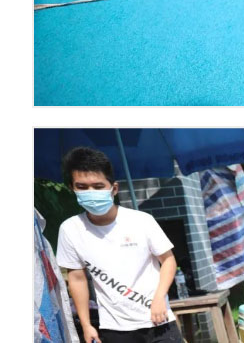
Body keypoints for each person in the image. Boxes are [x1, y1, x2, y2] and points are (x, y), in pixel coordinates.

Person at [56, 147, 180, 343]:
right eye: (82, 187)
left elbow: (168, 261)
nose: (91, 192)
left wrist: (159, 298)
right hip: (114, 328)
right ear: (72, 188)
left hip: (158, 320)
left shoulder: (142, 221)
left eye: (98, 186)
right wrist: (86, 325)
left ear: (113, 189)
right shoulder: (70, 229)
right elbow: (77, 278)